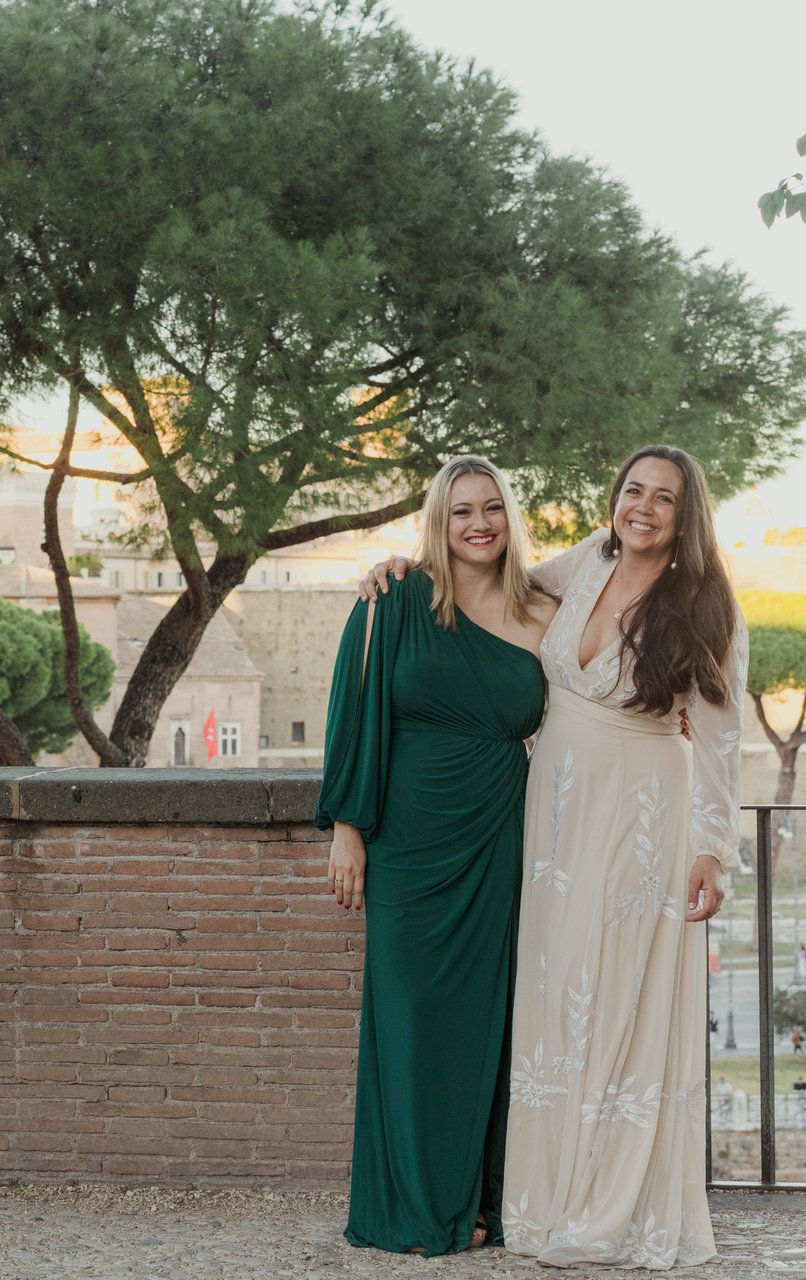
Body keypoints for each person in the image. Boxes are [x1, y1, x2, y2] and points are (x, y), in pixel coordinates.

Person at [363, 444, 743, 1268]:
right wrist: (406, 566)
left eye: (664, 498)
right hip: (554, 813)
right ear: (615, 498)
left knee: (623, 993)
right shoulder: (586, 562)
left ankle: (611, 1199)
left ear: (686, 515)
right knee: (554, 989)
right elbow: (492, 581)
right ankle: (546, 1193)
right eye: (633, 490)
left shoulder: (705, 602)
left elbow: (720, 737)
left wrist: (712, 850)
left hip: (644, 811)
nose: (643, 507)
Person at [318, 455, 555, 1257]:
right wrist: (347, 827)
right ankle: (417, 1208)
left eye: (492, 508)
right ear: (438, 521)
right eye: (461, 511)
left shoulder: (545, 615)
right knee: (410, 1020)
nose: (478, 524)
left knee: (487, 1023)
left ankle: (478, 1203)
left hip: (498, 839)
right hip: (407, 843)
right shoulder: (393, 598)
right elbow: (352, 708)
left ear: (510, 516)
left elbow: (606, 692)